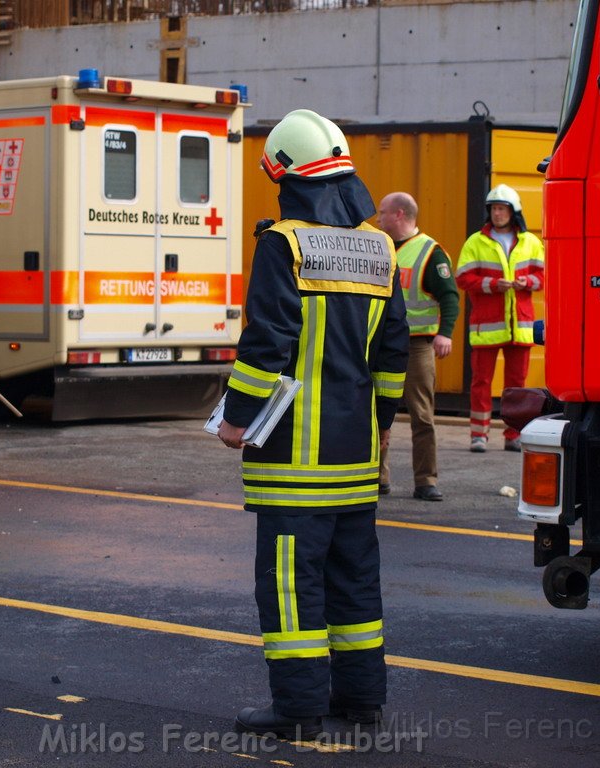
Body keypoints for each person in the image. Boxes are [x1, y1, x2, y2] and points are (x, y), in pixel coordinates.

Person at [217, 109, 409, 739]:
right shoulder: (381, 246)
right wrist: (376, 428)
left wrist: (236, 420)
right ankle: (363, 700)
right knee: (355, 582)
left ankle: (298, 709)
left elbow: (267, 342)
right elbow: (392, 357)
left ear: (287, 175)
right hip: (356, 457)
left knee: (292, 586)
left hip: (294, 461)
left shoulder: (284, 244)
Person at [375, 192, 459, 501]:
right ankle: (377, 477)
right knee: (375, 413)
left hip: (416, 346)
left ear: (399, 215)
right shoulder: (378, 246)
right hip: (382, 346)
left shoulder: (430, 252)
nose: (377, 219)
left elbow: (450, 296)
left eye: (382, 213)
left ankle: (426, 480)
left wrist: (445, 333)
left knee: (422, 416)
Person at [455, 184, 544, 453]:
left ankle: (513, 435)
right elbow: (463, 278)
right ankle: (479, 435)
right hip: (487, 326)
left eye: (502, 209)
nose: (498, 214)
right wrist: (494, 285)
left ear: (513, 211)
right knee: (481, 383)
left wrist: (524, 281)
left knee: (517, 386)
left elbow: (544, 277)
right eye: (494, 209)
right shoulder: (475, 242)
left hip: (521, 326)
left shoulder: (531, 242)